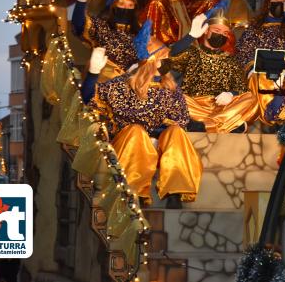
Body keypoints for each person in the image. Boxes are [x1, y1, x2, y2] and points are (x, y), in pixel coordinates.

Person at [83, 21, 202, 209]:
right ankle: (134, 192)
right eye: (163, 58)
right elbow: (90, 98)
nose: (167, 63)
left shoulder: (169, 87)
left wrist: (158, 135)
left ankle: (176, 191)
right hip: (130, 141)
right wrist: (93, 73)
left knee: (177, 132)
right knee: (137, 132)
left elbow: (181, 117)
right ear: (151, 61)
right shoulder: (123, 84)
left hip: (157, 141)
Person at [161, 1, 258, 133]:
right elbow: (170, 56)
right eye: (217, 30)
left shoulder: (230, 59)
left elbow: (240, 88)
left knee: (251, 99)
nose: (221, 35)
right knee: (172, 97)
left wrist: (231, 94)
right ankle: (226, 125)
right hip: (193, 105)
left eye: (225, 33)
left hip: (220, 108)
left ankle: (206, 126)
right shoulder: (192, 52)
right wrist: (191, 36)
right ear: (206, 31)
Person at [235, 0, 285, 123]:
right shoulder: (255, 27)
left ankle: (281, 116)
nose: (279, 3)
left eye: (283, 0)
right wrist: (252, 68)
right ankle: (266, 116)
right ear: (268, 3)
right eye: (275, 0)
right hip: (260, 71)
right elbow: (243, 51)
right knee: (260, 80)